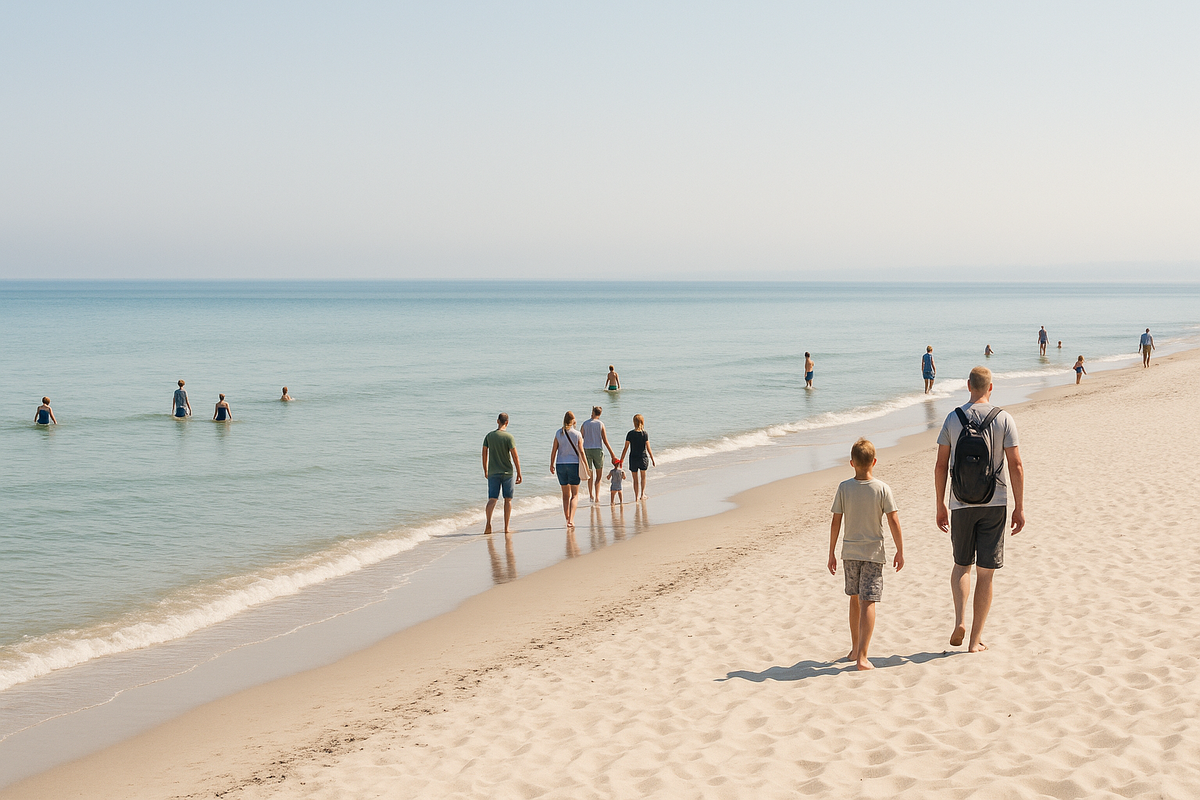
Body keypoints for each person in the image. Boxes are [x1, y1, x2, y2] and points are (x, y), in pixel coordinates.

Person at [934, 366, 1025, 653]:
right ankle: (974, 641)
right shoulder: (1004, 419)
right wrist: (1019, 507)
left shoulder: (953, 418)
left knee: (962, 565)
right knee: (986, 573)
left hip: (960, 501)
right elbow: (1016, 465)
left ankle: (960, 620)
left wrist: (940, 504)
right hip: (994, 502)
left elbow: (940, 466)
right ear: (991, 387)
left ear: (968, 385)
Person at [827, 438, 904, 671]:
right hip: (873, 553)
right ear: (874, 462)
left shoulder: (844, 488)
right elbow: (893, 520)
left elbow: (836, 522)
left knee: (854, 598)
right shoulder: (882, 488)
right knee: (868, 600)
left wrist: (831, 552)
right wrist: (900, 549)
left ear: (852, 463)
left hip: (849, 552)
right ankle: (862, 655)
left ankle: (854, 648)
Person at [482, 413, 522, 534]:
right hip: (507, 473)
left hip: (493, 472)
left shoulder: (489, 436)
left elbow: (484, 454)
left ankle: (488, 523)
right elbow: (515, 456)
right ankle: (506, 528)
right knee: (508, 500)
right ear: (507, 422)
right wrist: (519, 473)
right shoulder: (509, 437)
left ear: (497, 421)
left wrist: (485, 469)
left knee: (492, 499)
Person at [550, 411, 589, 528]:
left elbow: (554, 449)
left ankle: (567, 518)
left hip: (560, 464)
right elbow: (581, 451)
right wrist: (586, 466)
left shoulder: (558, 433)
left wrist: (551, 464)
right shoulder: (577, 434)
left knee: (565, 495)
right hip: (574, 464)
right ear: (574, 421)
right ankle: (571, 520)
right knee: (575, 495)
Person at [581, 406, 617, 503]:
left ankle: (591, 495)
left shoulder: (585, 423)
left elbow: (580, 439)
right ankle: (597, 496)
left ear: (592, 412)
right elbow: (605, 440)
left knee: (590, 474)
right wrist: (612, 454)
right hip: (598, 450)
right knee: (599, 475)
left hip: (586, 450)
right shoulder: (601, 424)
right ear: (600, 414)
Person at [619, 413, 656, 501]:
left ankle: (636, 497)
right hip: (643, 457)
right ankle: (642, 494)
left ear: (634, 422)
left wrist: (621, 459)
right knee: (643, 477)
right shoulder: (644, 434)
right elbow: (648, 448)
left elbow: (626, 448)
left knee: (635, 479)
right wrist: (652, 458)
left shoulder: (630, 434)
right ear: (642, 422)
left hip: (633, 458)